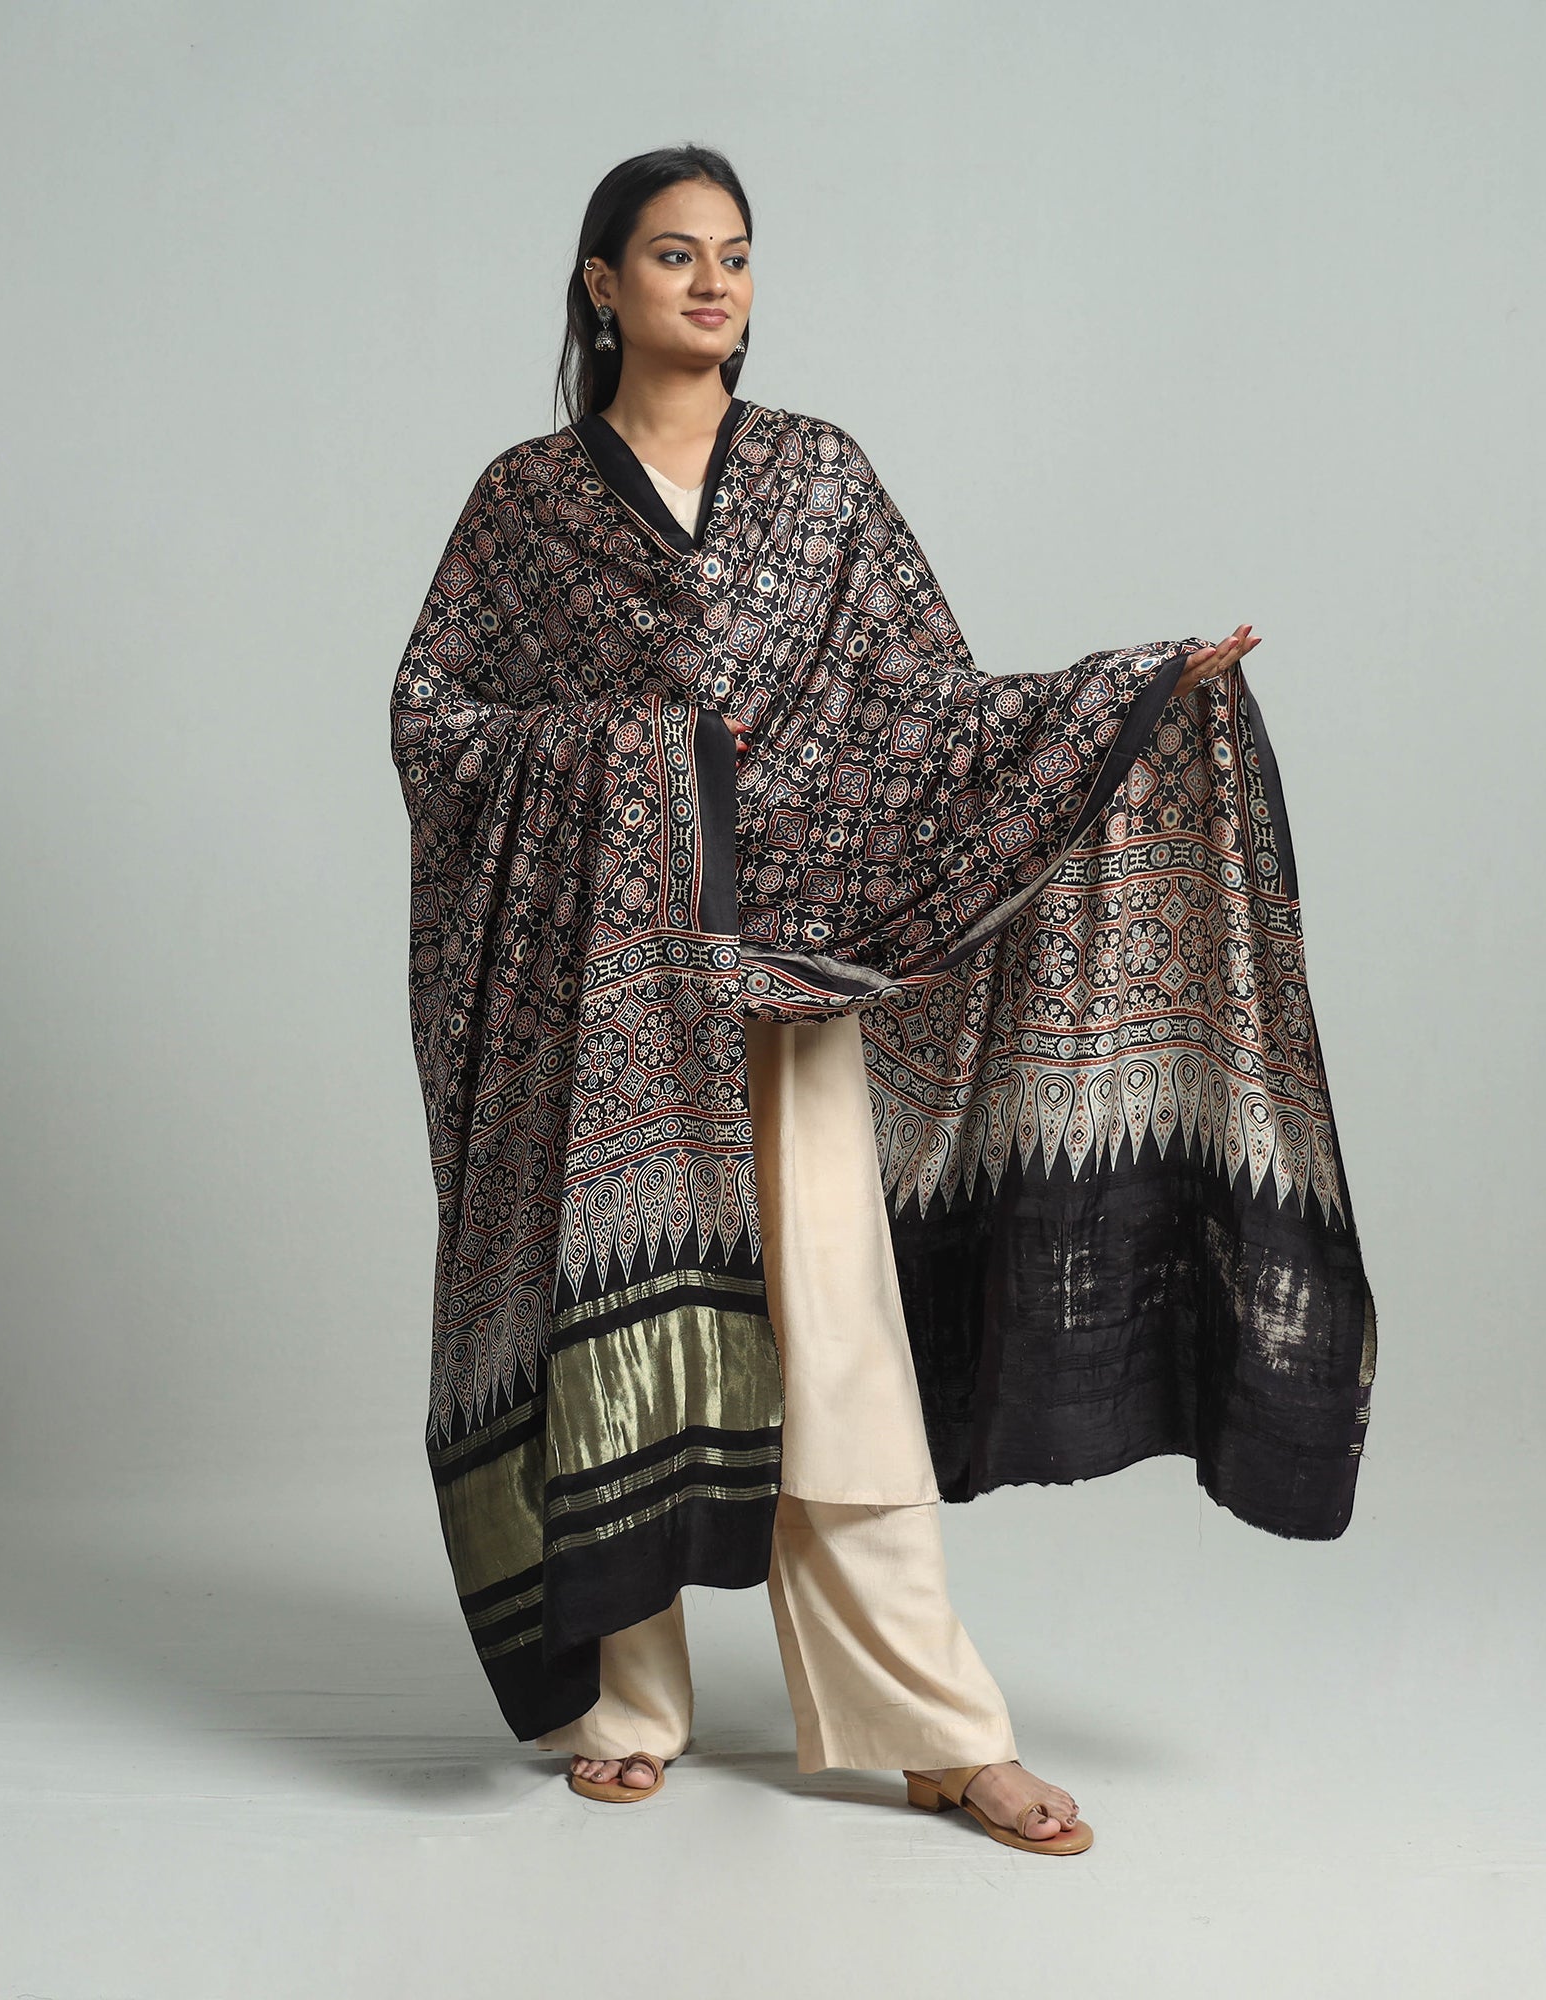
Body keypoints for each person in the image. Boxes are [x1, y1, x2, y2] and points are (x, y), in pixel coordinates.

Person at [391, 146, 1374, 1857]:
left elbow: (926, 712)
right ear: (602, 285)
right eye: (676, 256)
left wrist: (1130, 700)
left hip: (791, 971)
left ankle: (932, 1728)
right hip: (614, 991)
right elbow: (436, 725)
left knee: (835, 1345)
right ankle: (628, 1699)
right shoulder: (527, 507)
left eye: (737, 256)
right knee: (617, 1320)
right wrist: (641, 762)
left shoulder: (818, 478)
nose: (714, 283)